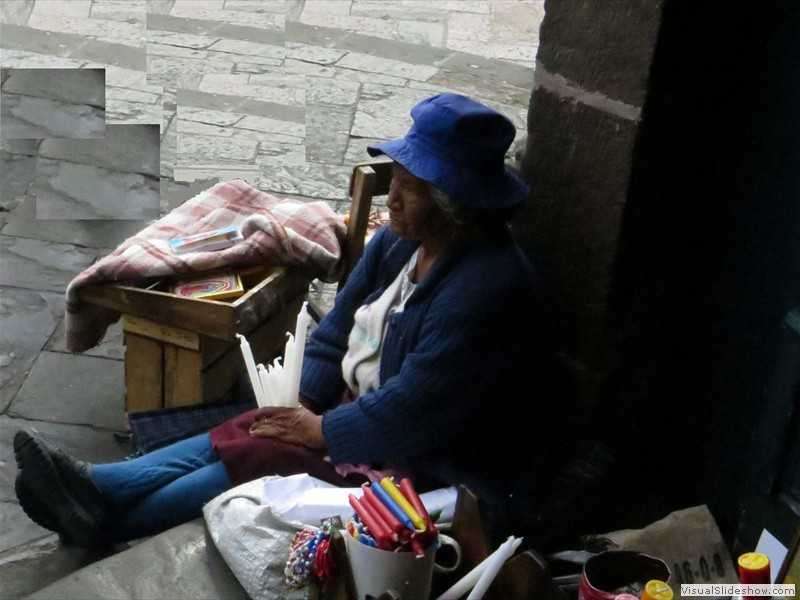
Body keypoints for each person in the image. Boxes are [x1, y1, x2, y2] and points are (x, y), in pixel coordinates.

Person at [13, 93, 565, 547]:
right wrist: (301, 402)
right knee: (257, 424)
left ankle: (104, 514)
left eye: (410, 187)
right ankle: (96, 488)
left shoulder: (485, 289)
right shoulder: (401, 245)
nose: (392, 197)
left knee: (266, 453)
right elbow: (333, 332)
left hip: (425, 464)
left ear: (454, 205)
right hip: (365, 418)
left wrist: (320, 429)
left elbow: (413, 412)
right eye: (394, 178)